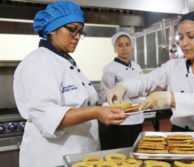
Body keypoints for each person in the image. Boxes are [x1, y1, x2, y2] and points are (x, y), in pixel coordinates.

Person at [13, 1, 128, 167]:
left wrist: (105, 107)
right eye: (72, 29)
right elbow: (48, 116)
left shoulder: (66, 62)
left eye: (80, 31)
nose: (77, 36)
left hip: (79, 154)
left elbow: (79, 102)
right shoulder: (38, 63)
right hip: (53, 158)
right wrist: (96, 111)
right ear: (52, 29)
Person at [107, 11, 194, 132]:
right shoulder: (174, 66)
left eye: (191, 36)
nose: (184, 43)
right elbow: (148, 79)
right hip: (179, 133)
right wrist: (123, 86)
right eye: (181, 38)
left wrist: (169, 97)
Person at [99, 31, 145, 149]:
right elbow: (105, 94)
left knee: (136, 148)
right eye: (120, 45)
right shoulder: (110, 69)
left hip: (138, 116)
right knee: (121, 151)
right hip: (121, 119)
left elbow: (143, 88)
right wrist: (125, 94)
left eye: (127, 44)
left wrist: (140, 93)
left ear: (131, 46)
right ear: (115, 48)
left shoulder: (137, 67)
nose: (124, 48)